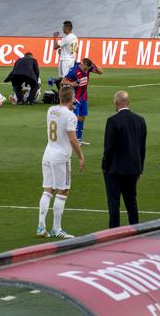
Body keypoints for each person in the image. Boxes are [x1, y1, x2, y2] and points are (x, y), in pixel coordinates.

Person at [39, 85, 84, 238]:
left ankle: (41, 226)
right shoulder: (70, 116)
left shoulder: (50, 110)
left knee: (47, 189)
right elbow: (73, 139)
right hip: (61, 156)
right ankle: (56, 229)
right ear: (72, 99)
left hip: (48, 153)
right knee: (63, 190)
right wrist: (80, 156)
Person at [101, 90, 146, 228]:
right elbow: (142, 148)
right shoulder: (140, 120)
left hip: (114, 170)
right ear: (128, 102)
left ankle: (114, 232)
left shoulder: (112, 121)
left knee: (114, 204)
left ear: (116, 103)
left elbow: (109, 147)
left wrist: (105, 166)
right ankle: (136, 229)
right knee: (131, 202)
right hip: (133, 168)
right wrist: (140, 168)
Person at [63, 58, 104, 144]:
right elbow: (63, 81)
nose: (87, 70)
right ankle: (72, 139)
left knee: (82, 117)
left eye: (88, 68)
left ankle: (78, 139)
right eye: (86, 68)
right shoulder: (73, 70)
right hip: (75, 97)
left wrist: (94, 64)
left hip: (84, 97)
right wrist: (72, 83)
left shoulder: (88, 68)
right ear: (83, 64)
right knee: (75, 118)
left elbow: (101, 72)